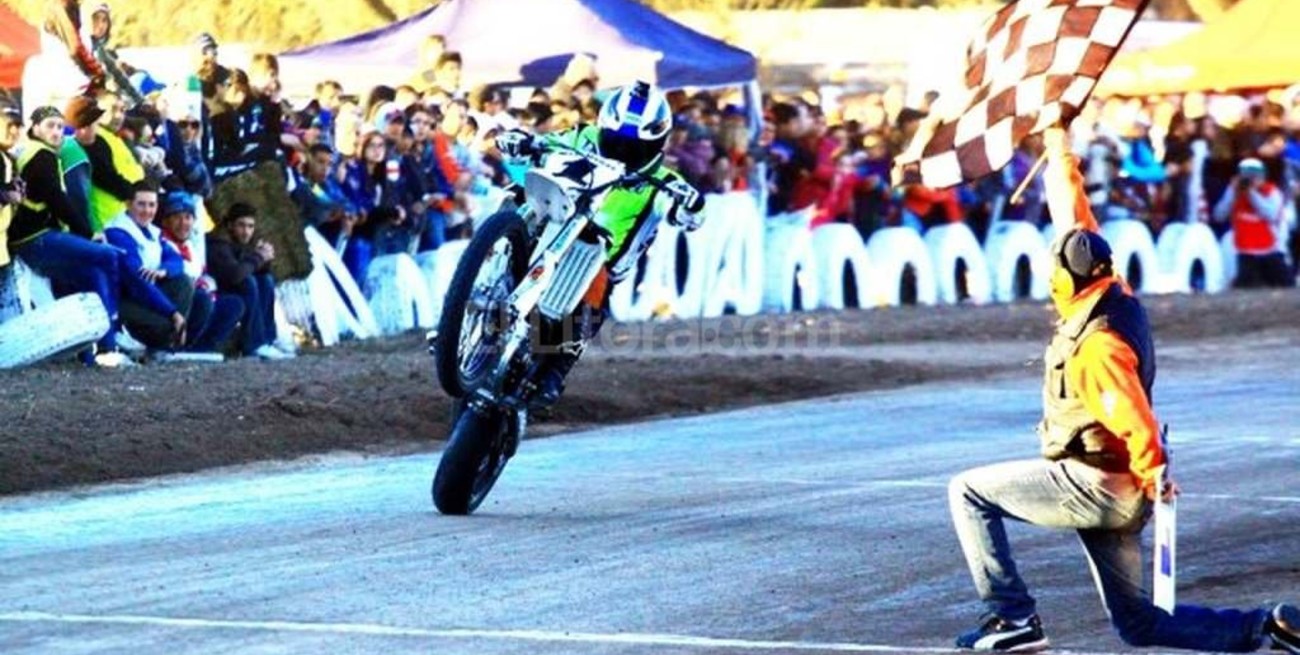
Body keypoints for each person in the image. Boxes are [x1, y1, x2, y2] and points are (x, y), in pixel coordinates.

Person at [946, 123, 1300, 653]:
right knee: (1139, 624)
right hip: (1118, 484)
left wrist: (1155, 471)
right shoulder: (1115, 291)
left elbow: (1130, 413)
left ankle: (1011, 618)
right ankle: (1269, 628)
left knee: (968, 491)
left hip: (1096, 483)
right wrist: (1058, 150)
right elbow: (1076, 219)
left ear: (1067, 280)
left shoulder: (1099, 343)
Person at [495, 80, 706, 406]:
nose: (622, 154)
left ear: (657, 144)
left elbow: (690, 216)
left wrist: (691, 205)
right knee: (515, 193)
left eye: (634, 149)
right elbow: (545, 144)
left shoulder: (665, 183)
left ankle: (554, 372)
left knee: (591, 299)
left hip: (599, 259)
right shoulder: (582, 136)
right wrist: (522, 142)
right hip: (553, 223)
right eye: (616, 142)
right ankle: (478, 286)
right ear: (603, 127)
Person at [11, 105, 133, 366]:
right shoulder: (41, 156)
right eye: (50, 126)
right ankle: (110, 331)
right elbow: (60, 201)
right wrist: (87, 233)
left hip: (37, 237)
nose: (56, 132)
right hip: (36, 238)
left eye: (59, 126)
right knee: (108, 256)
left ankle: (93, 351)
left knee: (90, 275)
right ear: (34, 128)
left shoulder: (38, 153)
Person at [104, 182, 191, 354]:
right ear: (129, 204)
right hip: (123, 300)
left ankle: (171, 343)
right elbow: (137, 282)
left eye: (152, 205)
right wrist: (173, 313)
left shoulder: (153, 231)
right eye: (141, 204)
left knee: (184, 283)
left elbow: (176, 260)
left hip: (147, 295)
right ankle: (159, 342)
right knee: (167, 322)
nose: (147, 211)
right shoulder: (118, 232)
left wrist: (164, 270)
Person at [158, 191, 243, 355]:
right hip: (175, 304)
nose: (183, 223)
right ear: (166, 221)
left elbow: (202, 274)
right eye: (177, 217)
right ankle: (178, 346)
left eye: (188, 218)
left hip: (198, 300)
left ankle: (201, 348)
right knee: (202, 299)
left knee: (234, 304)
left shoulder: (190, 246)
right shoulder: (162, 243)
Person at [206, 203, 293, 360]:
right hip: (216, 293)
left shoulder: (243, 242)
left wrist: (264, 260)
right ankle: (254, 344)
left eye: (250, 226)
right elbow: (234, 275)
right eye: (241, 225)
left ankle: (267, 340)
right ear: (230, 225)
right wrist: (258, 257)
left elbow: (256, 270)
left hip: (231, 287)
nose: (246, 232)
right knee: (248, 283)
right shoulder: (218, 243)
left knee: (265, 280)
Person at [1212, 158, 1294, 288]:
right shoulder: (1234, 193)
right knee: (1247, 289)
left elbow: (1271, 214)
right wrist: (1232, 194)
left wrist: (1252, 194)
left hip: (1270, 250)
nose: (1251, 180)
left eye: (1254, 176)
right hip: (1245, 252)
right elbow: (1219, 216)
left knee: (1287, 286)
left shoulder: (1272, 192)